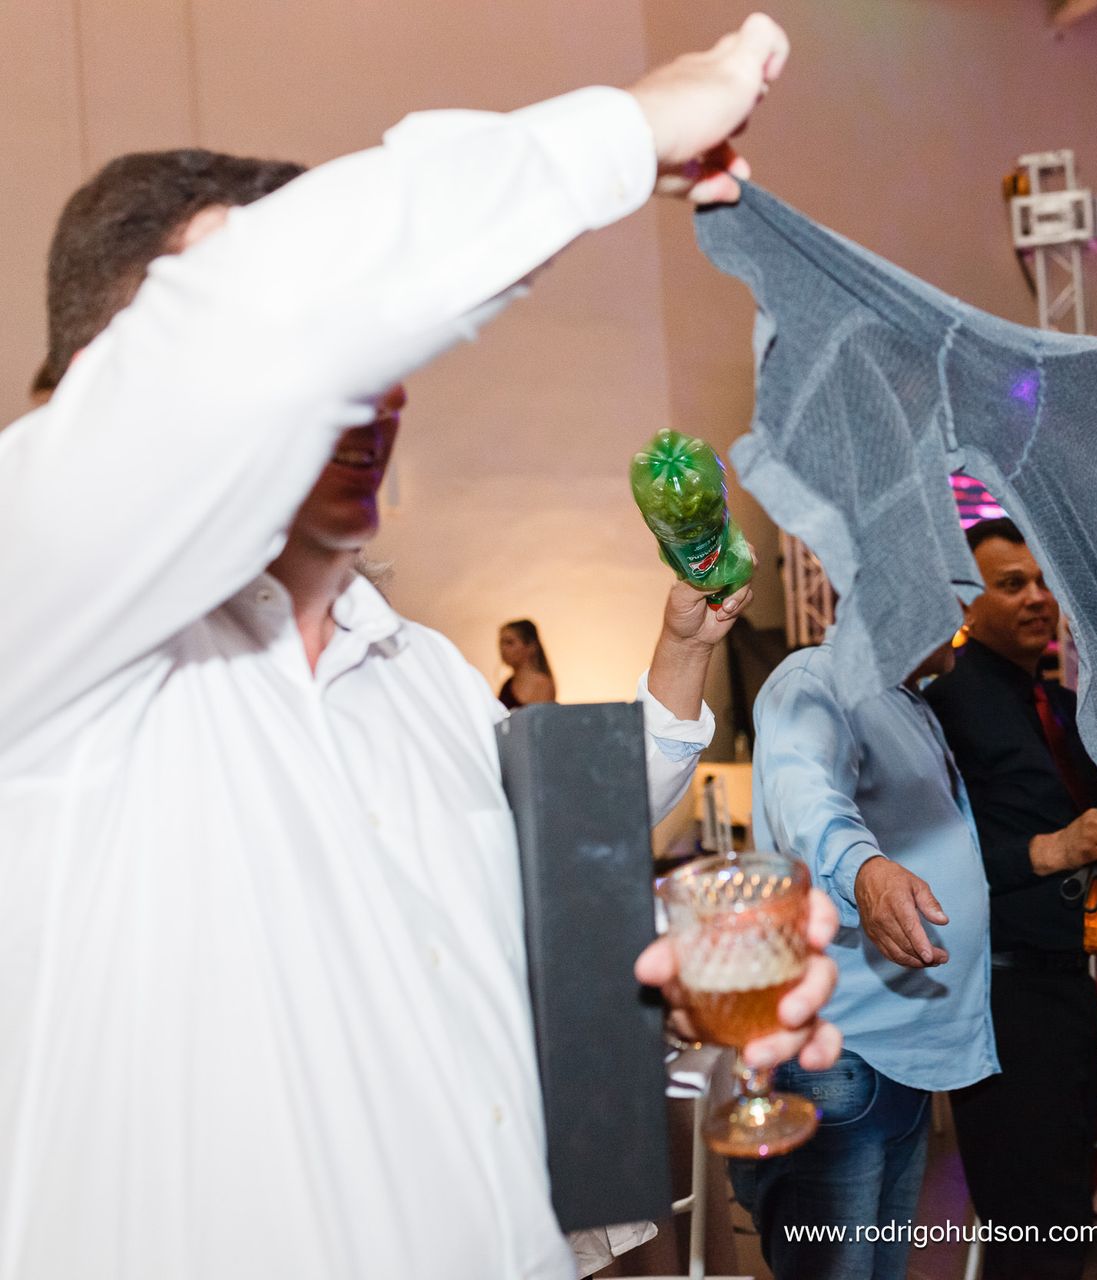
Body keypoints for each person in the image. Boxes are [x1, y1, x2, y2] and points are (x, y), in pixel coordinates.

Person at [0, 18, 846, 1279]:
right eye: (320, 338)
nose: (365, 384)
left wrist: (648, 989)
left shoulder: (423, 675)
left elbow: (502, 935)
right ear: (99, 388)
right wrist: (628, 126)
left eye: (376, 351)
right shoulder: (46, 632)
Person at [730, 637, 996, 1280]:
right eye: (950, 599)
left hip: (897, 1055)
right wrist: (864, 870)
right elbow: (806, 797)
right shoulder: (815, 677)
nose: (960, 620)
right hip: (840, 1055)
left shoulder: (906, 699)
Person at [924, 517, 1097, 1280]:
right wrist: (1050, 850)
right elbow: (926, 859)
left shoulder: (1054, 701)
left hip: (1067, 979)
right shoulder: (946, 702)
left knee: (1061, 1212)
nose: (1038, 598)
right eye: (1012, 584)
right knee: (1029, 1228)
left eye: (1043, 581)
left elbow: (1084, 822)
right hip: (1000, 995)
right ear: (966, 601)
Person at [499, 617, 558, 708]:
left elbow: (540, 716)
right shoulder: (507, 684)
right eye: (501, 643)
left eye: (510, 643)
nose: (503, 649)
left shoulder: (542, 685)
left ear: (531, 646)